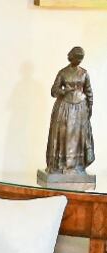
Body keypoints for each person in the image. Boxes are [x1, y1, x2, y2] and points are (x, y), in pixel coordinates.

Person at [45, 46, 94, 176]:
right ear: (71, 57)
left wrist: (89, 107)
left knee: (78, 135)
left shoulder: (84, 73)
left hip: (80, 109)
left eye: (81, 58)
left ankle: (77, 165)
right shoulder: (63, 72)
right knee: (63, 134)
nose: (78, 60)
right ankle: (60, 164)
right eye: (76, 57)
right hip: (64, 107)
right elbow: (53, 91)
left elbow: (89, 91)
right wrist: (63, 91)